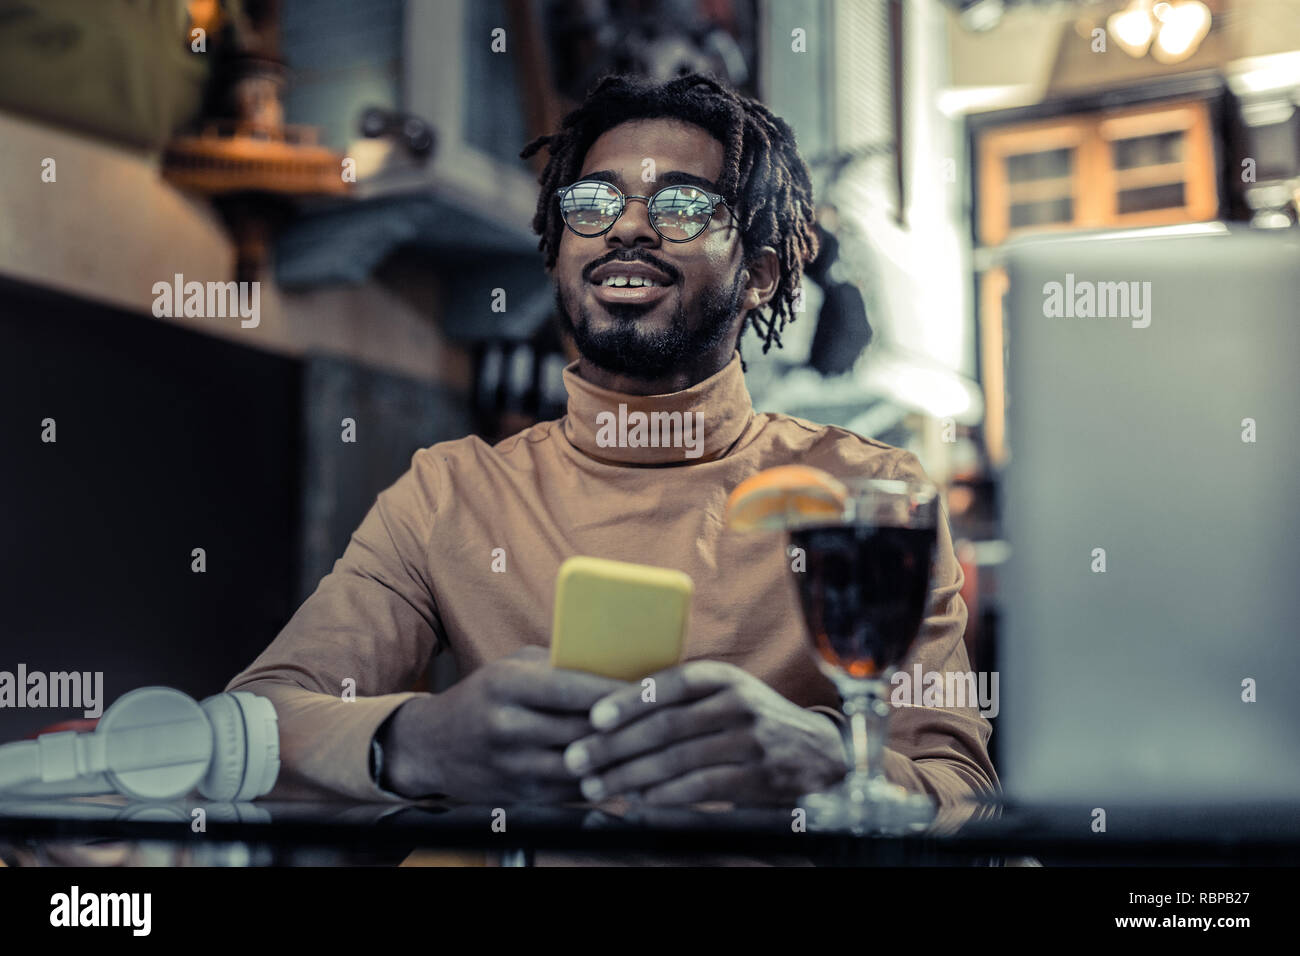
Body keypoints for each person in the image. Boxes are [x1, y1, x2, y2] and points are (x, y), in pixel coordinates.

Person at [227, 72, 998, 811]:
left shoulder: (870, 496)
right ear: (561, 248)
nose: (627, 226)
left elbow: (966, 794)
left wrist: (824, 762)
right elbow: (253, 726)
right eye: (593, 203)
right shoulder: (447, 493)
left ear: (760, 274)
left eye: (684, 205)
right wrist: (414, 741)